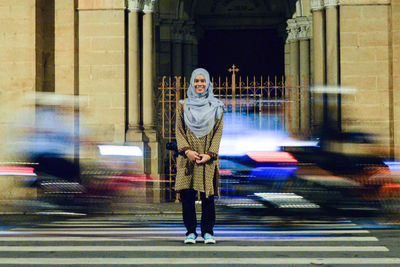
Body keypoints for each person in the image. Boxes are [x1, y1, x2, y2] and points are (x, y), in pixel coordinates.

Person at [175, 68, 225, 244]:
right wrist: (187, 151)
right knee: (187, 196)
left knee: (207, 196)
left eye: (203, 81)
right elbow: (179, 131)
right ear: (191, 83)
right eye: (196, 81)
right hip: (188, 156)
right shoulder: (183, 105)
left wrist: (210, 154)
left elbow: (218, 132)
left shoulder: (217, 106)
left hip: (206, 156)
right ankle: (190, 232)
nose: (199, 84)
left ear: (208, 83)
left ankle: (208, 232)